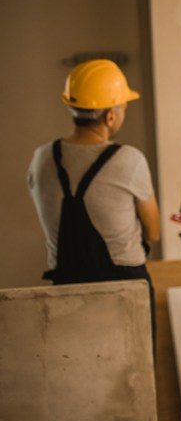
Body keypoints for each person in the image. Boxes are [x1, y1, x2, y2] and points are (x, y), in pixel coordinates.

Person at [27, 59, 161, 336]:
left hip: (66, 291)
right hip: (124, 288)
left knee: (75, 371)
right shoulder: (129, 160)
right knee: (134, 378)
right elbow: (154, 231)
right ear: (110, 116)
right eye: (123, 106)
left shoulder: (42, 159)